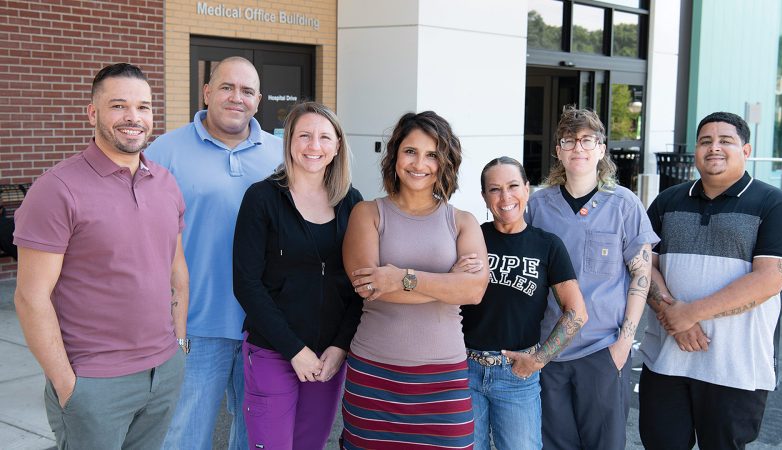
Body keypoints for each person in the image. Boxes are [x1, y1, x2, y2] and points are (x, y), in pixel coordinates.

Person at [13, 63, 188, 450]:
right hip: (95, 382)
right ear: (93, 113)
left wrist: (178, 350)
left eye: (143, 107)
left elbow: (176, 272)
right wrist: (66, 384)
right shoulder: (57, 189)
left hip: (163, 373)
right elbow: (30, 297)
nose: (133, 118)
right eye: (118, 106)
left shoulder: (165, 182)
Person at [639, 111, 782, 449]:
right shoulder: (667, 201)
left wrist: (691, 313)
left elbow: (770, 279)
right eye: (705, 141)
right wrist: (676, 317)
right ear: (695, 150)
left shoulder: (776, 204)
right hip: (667, 359)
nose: (714, 148)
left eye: (725, 141)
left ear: (747, 149)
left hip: (735, 367)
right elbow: (643, 264)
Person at [147, 56, 282, 450]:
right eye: (226, 87)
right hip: (194, 326)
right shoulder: (165, 151)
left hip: (264, 328)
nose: (235, 97)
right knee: (184, 437)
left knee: (255, 437)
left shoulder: (281, 154)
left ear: (258, 100)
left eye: (246, 91)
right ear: (207, 93)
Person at [341, 111, 490, 449]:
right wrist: (446, 284)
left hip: (445, 381)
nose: (419, 163)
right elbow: (369, 287)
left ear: (445, 162)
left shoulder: (462, 222)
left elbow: (474, 290)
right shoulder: (367, 213)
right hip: (375, 375)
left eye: (432, 154)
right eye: (410, 151)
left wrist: (400, 277)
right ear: (395, 156)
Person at [525, 106, 657, 449]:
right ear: (558, 151)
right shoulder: (537, 206)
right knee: (553, 443)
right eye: (569, 140)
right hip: (549, 350)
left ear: (601, 148)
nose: (578, 148)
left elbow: (642, 277)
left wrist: (623, 344)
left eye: (587, 140)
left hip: (602, 350)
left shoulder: (625, 204)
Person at [232, 101, 363, 450]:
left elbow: (359, 286)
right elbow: (246, 284)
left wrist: (340, 346)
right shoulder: (261, 199)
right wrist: (294, 349)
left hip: (327, 357)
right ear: (289, 141)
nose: (314, 146)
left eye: (324, 137)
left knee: (310, 445)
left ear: (337, 145)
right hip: (273, 351)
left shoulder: (352, 203)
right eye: (304, 135)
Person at [461, 156, 588, 450]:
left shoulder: (547, 245)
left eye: (513, 186)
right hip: (465, 368)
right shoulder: (471, 237)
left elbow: (577, 312)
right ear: (484, 197)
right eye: (494, 189)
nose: (505, 197)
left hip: (517, 373)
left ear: (527, 189)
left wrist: (538, 360)